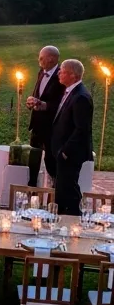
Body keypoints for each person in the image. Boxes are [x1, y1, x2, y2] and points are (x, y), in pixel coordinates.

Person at [50, 59, 94, 215]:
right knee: (62, 190)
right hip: (62, 152)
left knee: (69, 191)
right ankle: (61, 221)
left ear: (73, 75)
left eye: (62, 70)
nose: (59, 73)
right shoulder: (70, 91)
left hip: (70, 153)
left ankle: (73, 222)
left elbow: (81, 129)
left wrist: (65, 152)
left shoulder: (81, 96)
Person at [26, 45, 65, 187]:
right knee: (33, 159)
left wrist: (44, 105)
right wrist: (32, 101)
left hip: (52, 126)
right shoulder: (41, 72)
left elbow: (62, 103)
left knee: (50, 160)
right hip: (37, 124)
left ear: (52, 58)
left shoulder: (62, 75)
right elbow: (38, 94)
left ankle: (55, 190)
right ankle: (31, 188)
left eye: (41, 58)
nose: (39, 60)